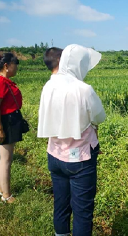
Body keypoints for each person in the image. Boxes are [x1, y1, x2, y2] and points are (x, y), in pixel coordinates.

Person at [38, 44, 106, 236]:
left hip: (54, 155)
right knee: (82, 211)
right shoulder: (84, 89)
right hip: (80, 159)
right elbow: (99, 117)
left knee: (60, 203)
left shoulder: (49, 85)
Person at [0, 52, 24, 203]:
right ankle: (7, 195)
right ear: (6, 66)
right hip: (6, 122)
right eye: (14, 64)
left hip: (10, 120)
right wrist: (0, 128)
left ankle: (0, 189)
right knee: (6, 160)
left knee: (4, 158)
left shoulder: (5, 81)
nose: (16, 67)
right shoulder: (0, 82)